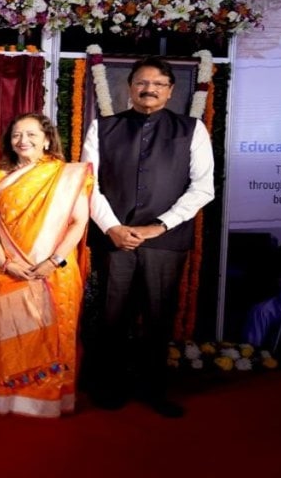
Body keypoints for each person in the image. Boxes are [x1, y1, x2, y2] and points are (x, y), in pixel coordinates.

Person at [81, 55, 215, 418]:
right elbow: (88, 185)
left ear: (170, 91)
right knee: (112, 316)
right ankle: (109, 386)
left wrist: (161, 225)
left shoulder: (192, 130)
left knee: (158, 317)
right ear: (129, 87)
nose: (149, 89)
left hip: (165, 240)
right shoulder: (103, 128)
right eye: (141, 82)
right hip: (115, 238)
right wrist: (112, 227)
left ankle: (154, 389)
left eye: (158, 84)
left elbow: (203, 188)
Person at [0, 112, 93, 418]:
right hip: (9, 270)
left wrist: (54, 261)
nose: (23, 140)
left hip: (54, 270)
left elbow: (79, 222)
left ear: (46, 140)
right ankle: (15, 396)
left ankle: (52, 397)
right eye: (17, 134)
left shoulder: (67, 176)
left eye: (31, 134)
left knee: (53, 334)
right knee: (14, 332)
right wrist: (4, 262)